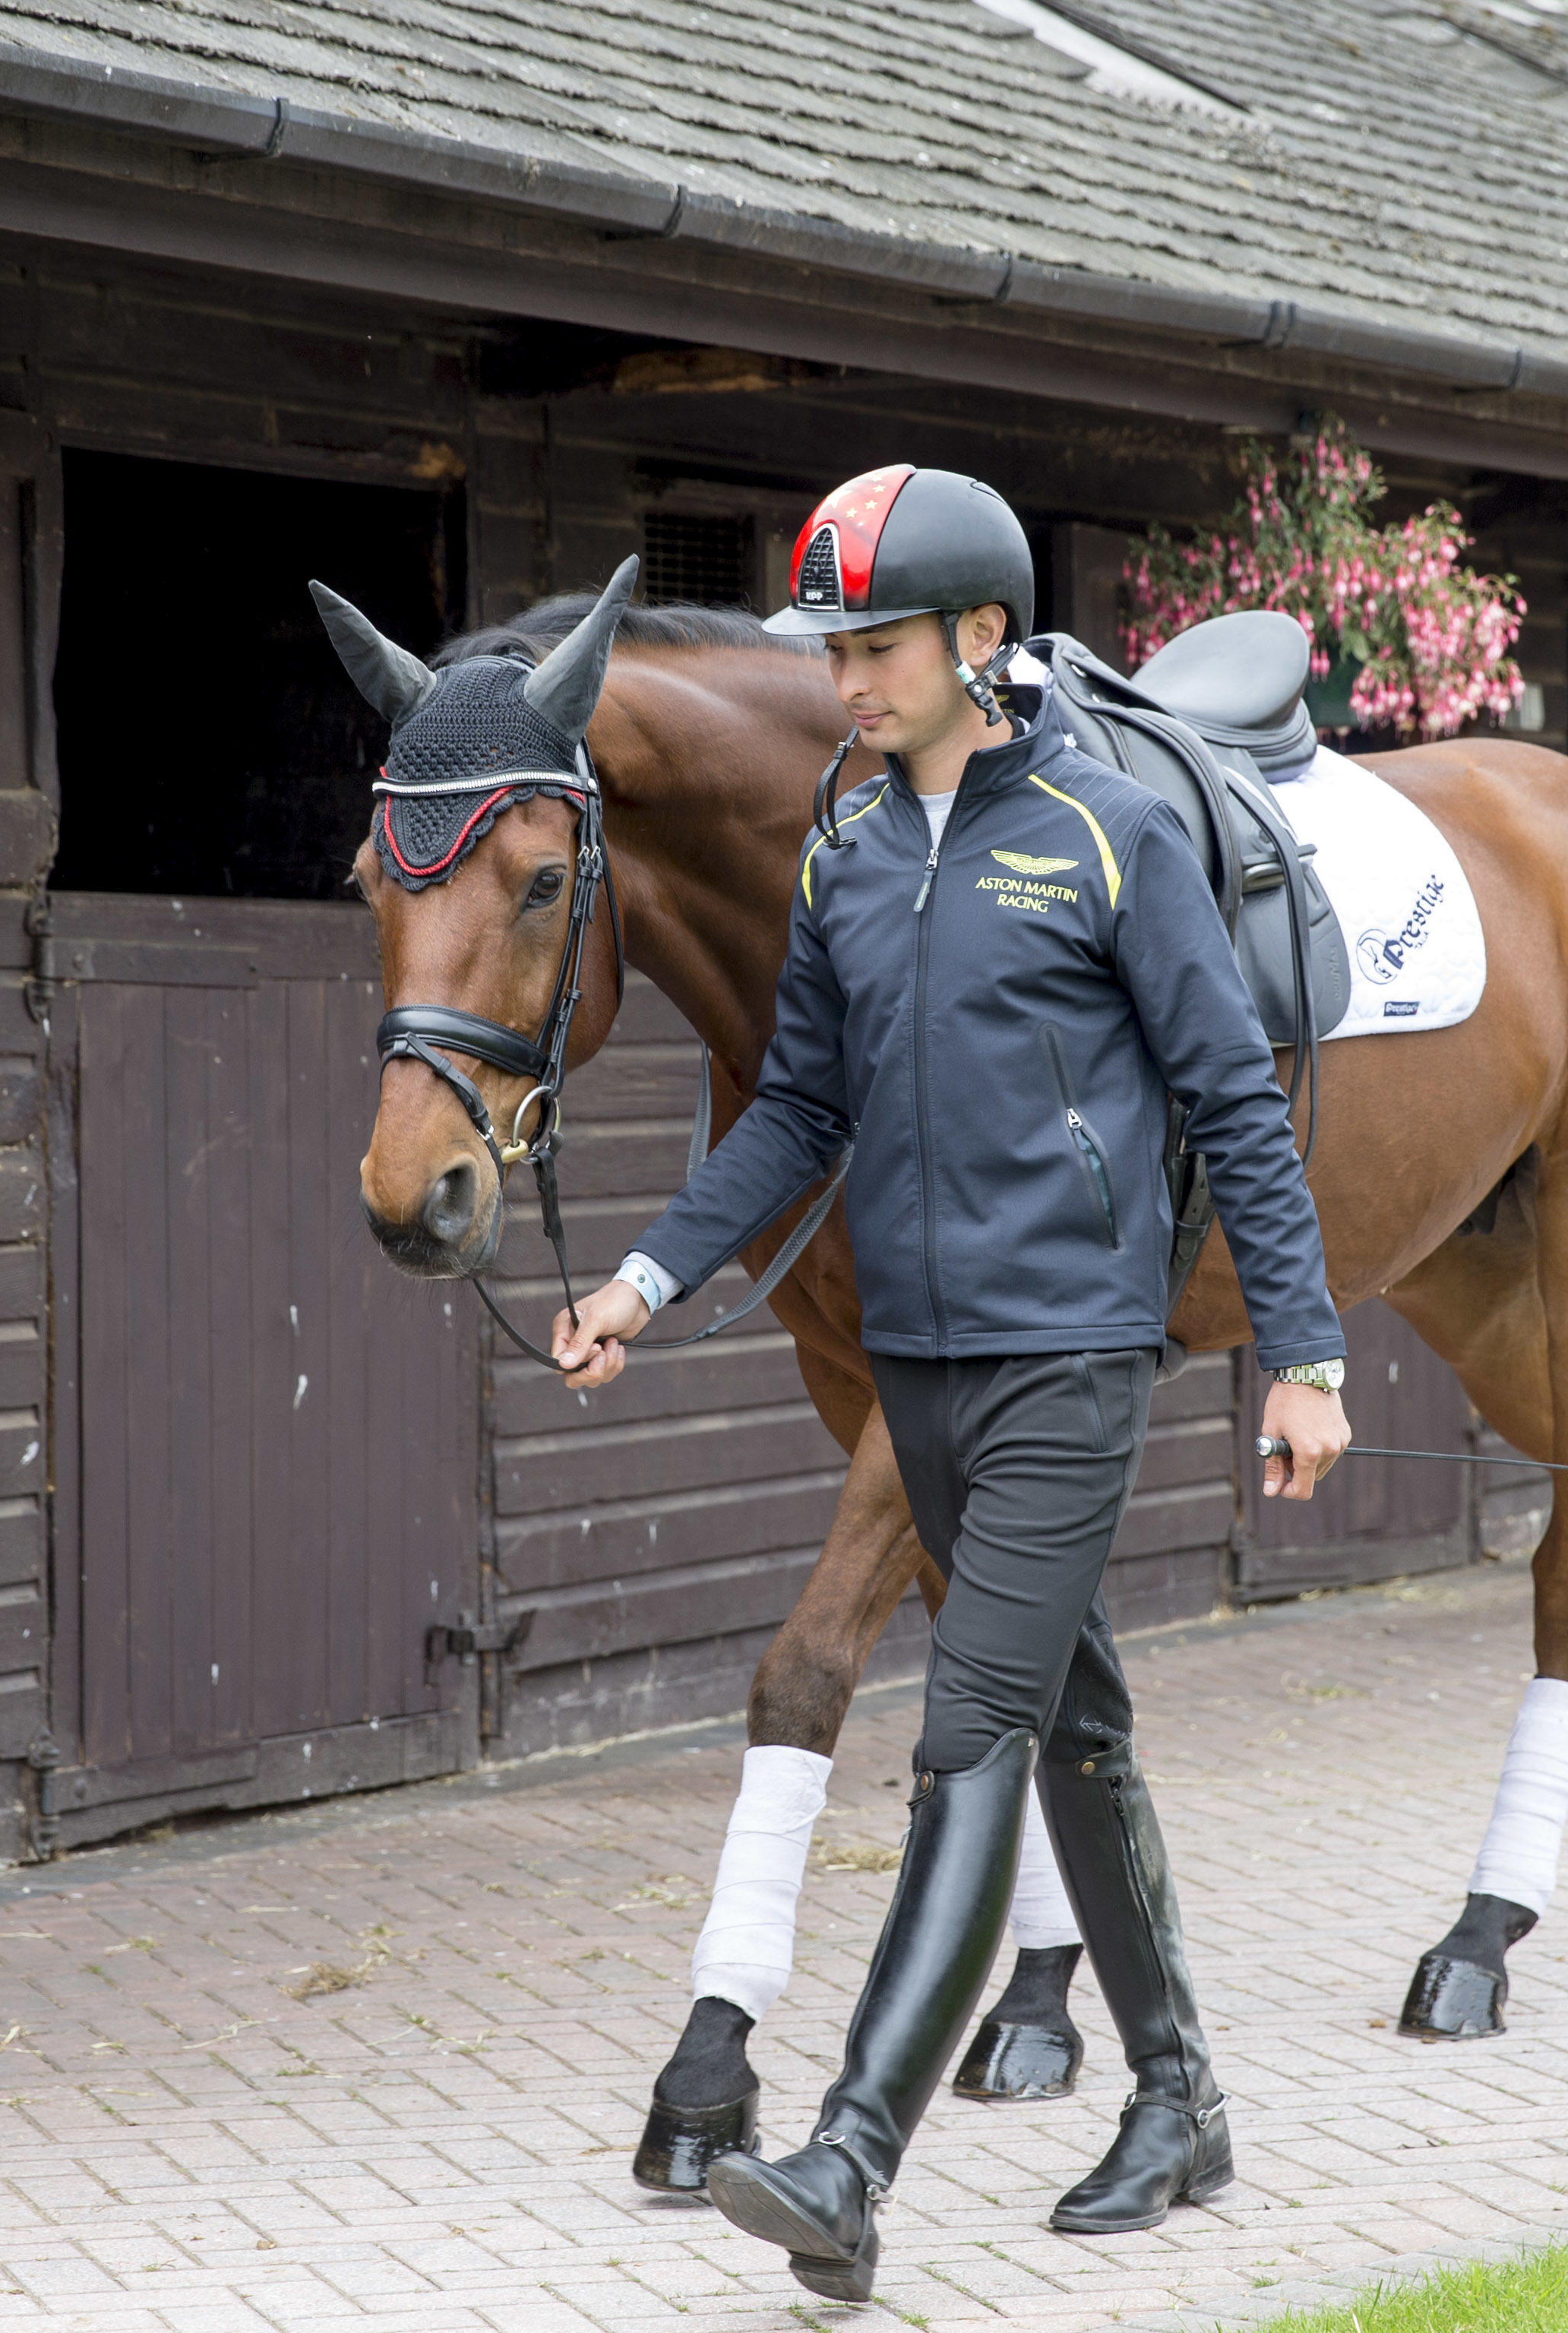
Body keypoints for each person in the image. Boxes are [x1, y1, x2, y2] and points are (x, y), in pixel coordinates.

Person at [549, 463, 1352, 2300]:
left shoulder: (1104, 832)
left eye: (879, 642)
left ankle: (847, 2151)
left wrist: (1301, 1351)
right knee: (1071, 1722)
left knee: (965, 1735)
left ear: (981, 636)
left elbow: (1233, 1097)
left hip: (1070, 1355)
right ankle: (1180, 2100)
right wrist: (648, 1274)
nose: (847, 677)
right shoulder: (846, 850)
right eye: (832, 646)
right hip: (909, 1362)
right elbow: (801, 1114)